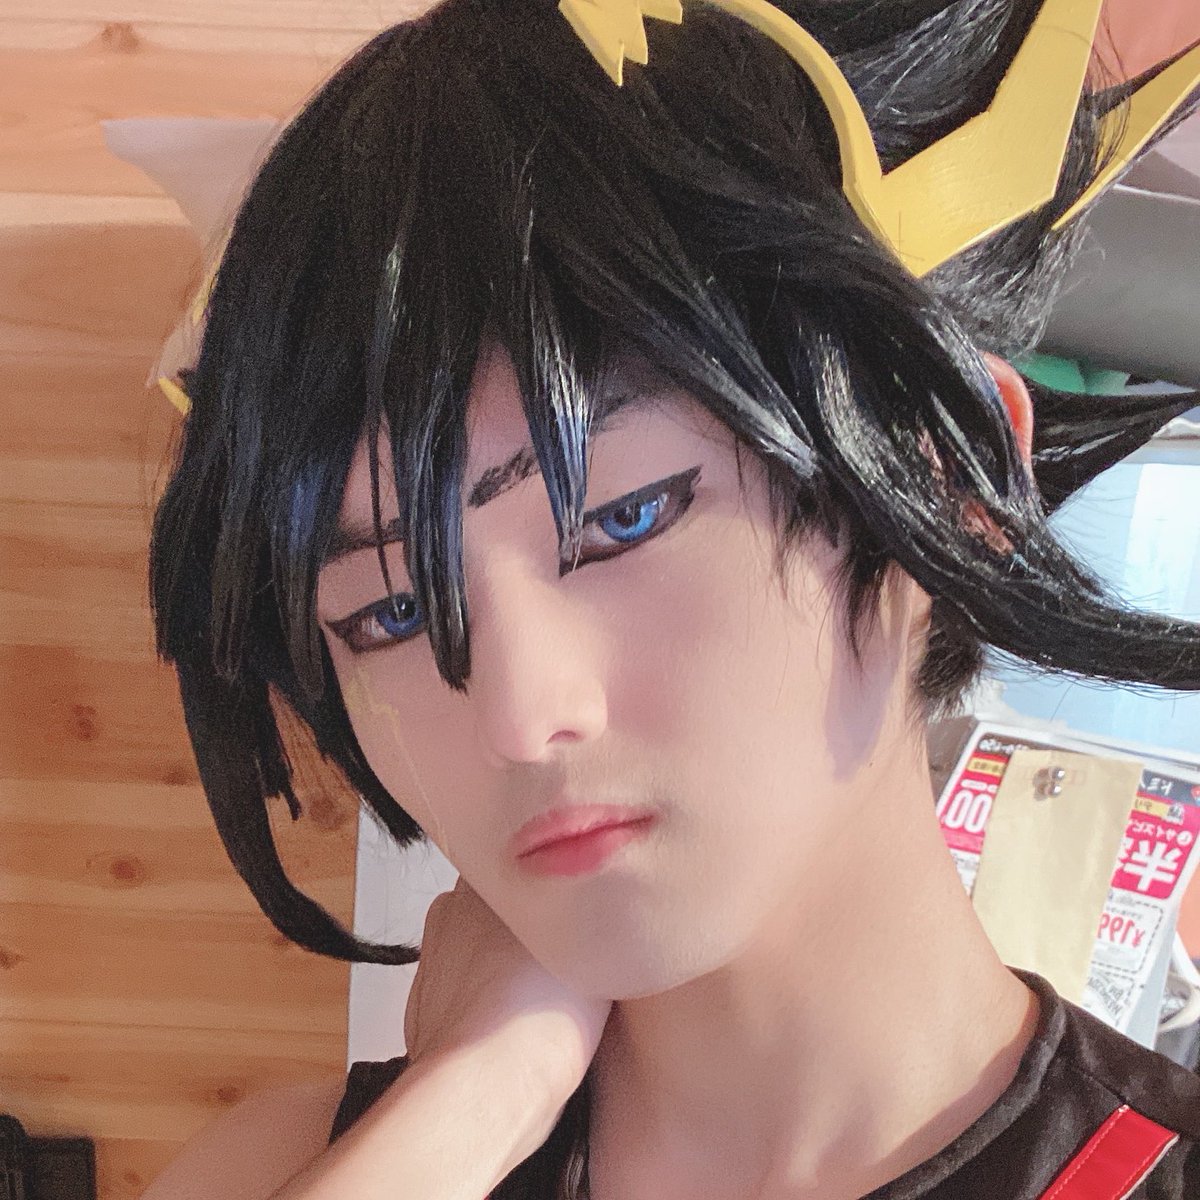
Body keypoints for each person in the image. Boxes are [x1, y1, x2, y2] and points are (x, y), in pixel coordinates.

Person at [141, 0, 1200, 1197]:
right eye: (391, 612)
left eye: (626, 517)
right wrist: (471, 1105)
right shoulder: (286, 1171)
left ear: (947, 478)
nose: (518, 716)